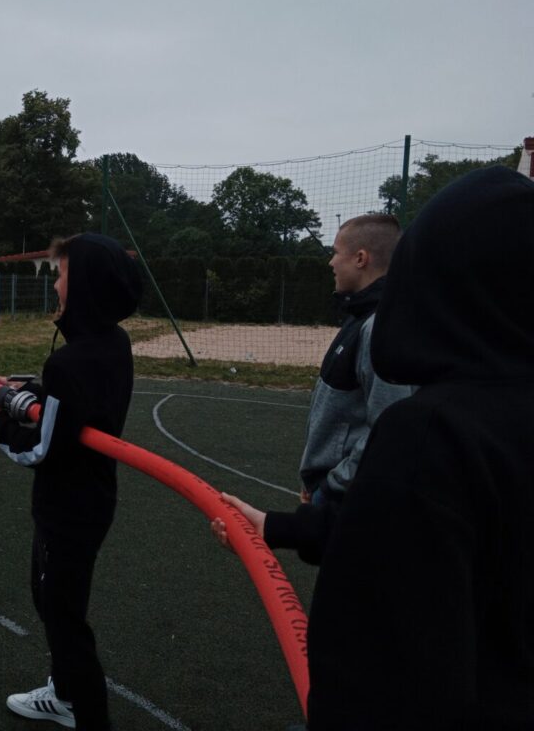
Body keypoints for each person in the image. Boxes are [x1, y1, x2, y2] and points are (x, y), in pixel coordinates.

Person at [306, 165, 534, 728]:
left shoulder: (431, 435)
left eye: (337, 252)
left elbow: (395, 657)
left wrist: (334, 492)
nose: (330, 261)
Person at [0, 233, 142, 731]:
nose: (55, 284)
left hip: (66, 507)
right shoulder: (112, 342)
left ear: (84, 283)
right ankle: (66, 691)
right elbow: (73, 405)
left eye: (62, 274)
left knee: (62, 616)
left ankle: (83, 712)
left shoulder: (69, 362)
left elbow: (42, 448)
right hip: (93, 500)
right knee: (51, 598)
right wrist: (26, 391)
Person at [212, 213, 412, 563]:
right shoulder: (359, 317)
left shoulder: (379, 326)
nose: (331, 262)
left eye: (336, 252)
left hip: (349, 496)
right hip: (331, 489)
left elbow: (388, 428)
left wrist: (334, 482)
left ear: (360, 258)